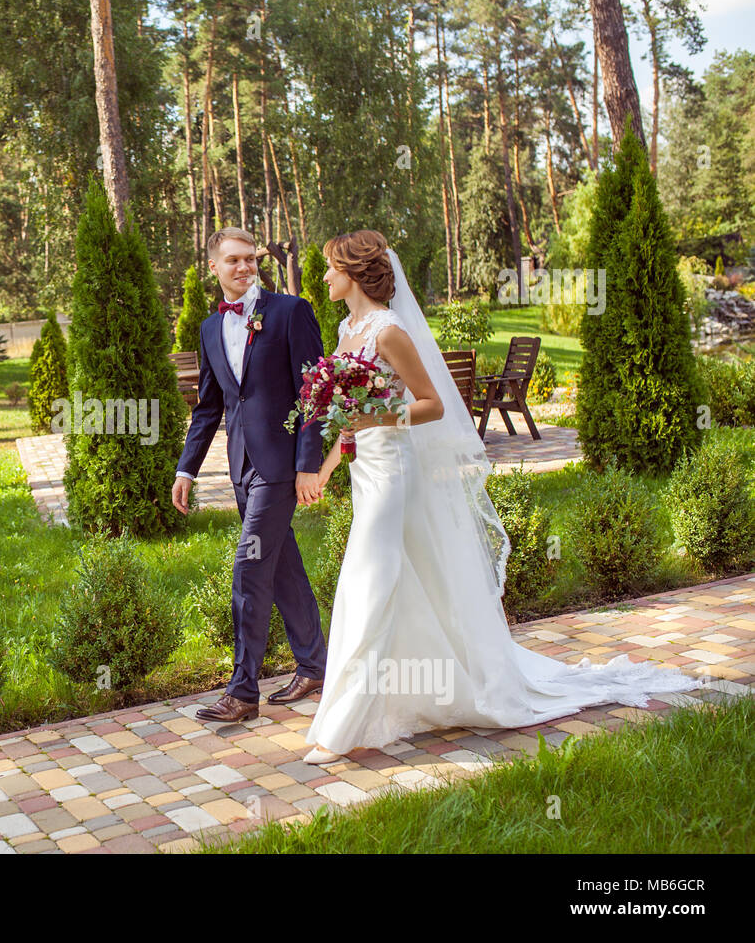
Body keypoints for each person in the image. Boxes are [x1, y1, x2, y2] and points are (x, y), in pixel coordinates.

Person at [301, 229, 701, 764]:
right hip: (365, 470)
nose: (324, 276)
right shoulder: (347, 328)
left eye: (331, 267)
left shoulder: (389, 330)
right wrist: (328, 467)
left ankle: (342, 726)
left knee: (365, 581)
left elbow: (433, 404)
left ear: (354, 272)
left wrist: (380, 416)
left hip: (394, 472)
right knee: (408, 579)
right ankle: (421, 688)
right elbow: (348, 419)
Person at [171, 227, 329, 722]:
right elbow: (210, 406)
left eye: (250, 259)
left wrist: (308, 464)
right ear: (213, 268)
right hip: (241, 467)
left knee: (249, 568)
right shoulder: (209, 328)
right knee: (282, 567)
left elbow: (314, 394)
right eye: (233, 261)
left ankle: (242, 693)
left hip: (281, 467)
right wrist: (187, 469)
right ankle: (315, 666)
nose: (244, 267)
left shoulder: (289, 312)